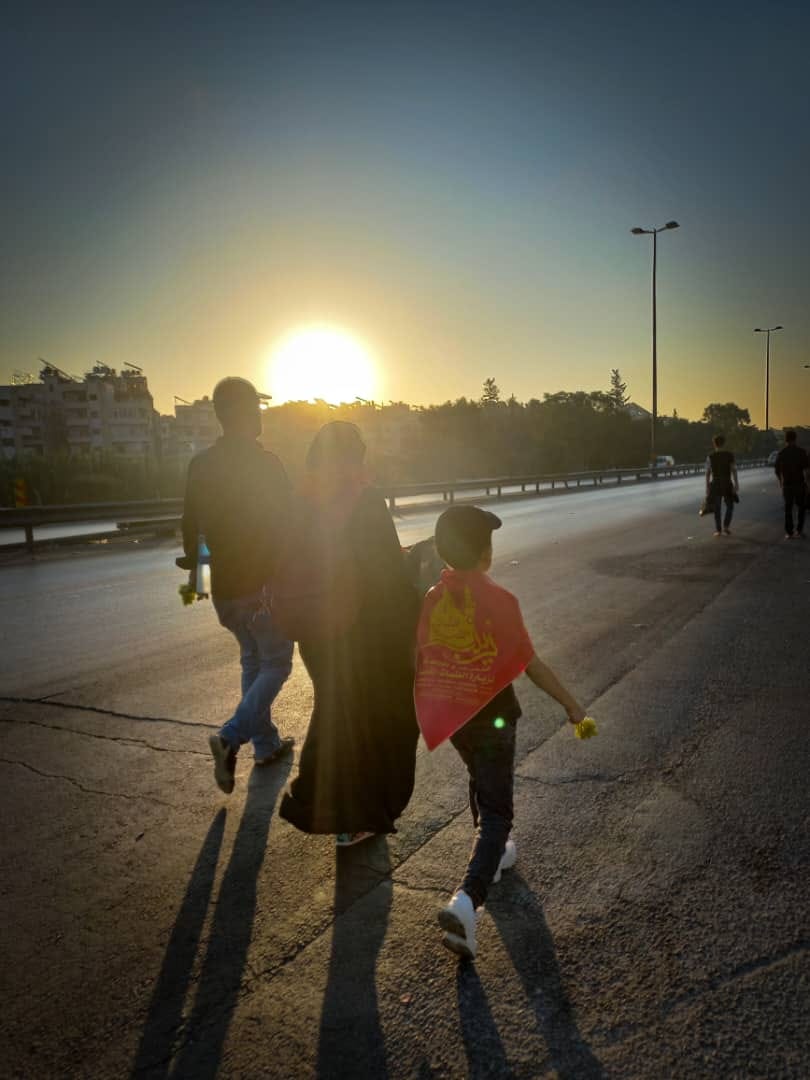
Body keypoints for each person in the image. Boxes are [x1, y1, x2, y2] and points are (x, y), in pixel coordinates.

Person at [414, 506, 586, 960]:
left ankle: (493, 856)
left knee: (480, 781)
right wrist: (570, 704)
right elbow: (531, 665)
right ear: (485, 553)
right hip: (492, 718)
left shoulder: (434, 596)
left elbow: (425, 658)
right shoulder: (500, 601)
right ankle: (467, 899)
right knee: (497, 811)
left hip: (456, 720)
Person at [278, 422, 420, 846]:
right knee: (377, 720)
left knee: (336, 713)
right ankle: (357, 817)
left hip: (315, 631)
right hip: (363, 632)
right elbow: (387, 579)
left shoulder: (299, 501)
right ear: (353, 458)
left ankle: (328, 808)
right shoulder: (365, 502)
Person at [181, 377, 294, 795]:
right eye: (257, 408)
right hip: (261, 586)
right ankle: (230, 737)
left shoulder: (201, 465)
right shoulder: (267, 465)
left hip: (224, 588)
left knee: (253, 659)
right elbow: (288, 524)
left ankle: (266, 745)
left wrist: (202, 583)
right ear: (246, 413)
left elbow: (191, 529)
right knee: (278, 663)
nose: (262, 414)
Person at [774, 429, 809, 539]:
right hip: (799, 484)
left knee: (788, 509)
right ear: (795, 439)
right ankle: (799, 530)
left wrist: (781, 482)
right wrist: (808, 483)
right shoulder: (802, 452)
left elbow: (777, 470)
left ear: (786, 440)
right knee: (801, 508)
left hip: (787, 486)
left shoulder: (782, 453)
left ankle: (789, 533)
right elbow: (807, 470)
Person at [704, 434, 739, 536]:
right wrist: (736, 484)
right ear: (724, 443)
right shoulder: (730, 455)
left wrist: (707, 487)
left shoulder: (710, 456)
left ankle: (718, 530)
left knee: (717, 507)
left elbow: (707, 473)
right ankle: (726, 526)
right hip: (727, 483)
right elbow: (734, 470)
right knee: (730, 506)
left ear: (714, 444)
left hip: (716, 484)